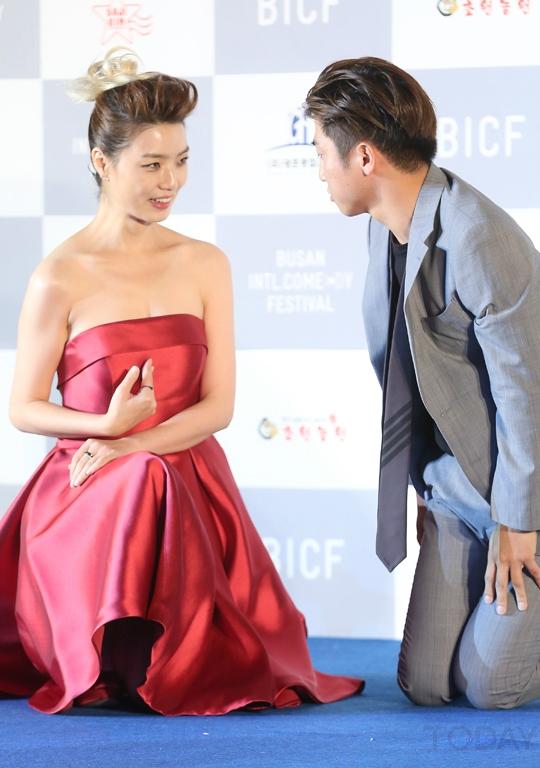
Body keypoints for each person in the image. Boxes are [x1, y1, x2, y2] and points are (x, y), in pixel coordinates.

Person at [0, 47, 363, 716]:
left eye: (182, 161)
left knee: (152, 472)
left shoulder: (205, 264)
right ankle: (110, 651)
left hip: (189, 483)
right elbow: (23, 407)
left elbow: (218, 406)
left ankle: (163, 657)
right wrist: (105, 428)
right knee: (143, 476)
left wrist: (134, 442)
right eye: (151, 165)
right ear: (101, 162)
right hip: (86, 490)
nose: (170, 181)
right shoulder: (59, 275)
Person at [305, 56, 540, 709]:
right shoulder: (383, 230)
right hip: (454, 492)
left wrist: (521, 522)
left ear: (364, 157)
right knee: (428, 685)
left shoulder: (478, 235)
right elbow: (414, 377)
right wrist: (424, 487)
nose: (319, 170)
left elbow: (527, 395)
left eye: (321, 152)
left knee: (492, 687)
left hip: (522, 493)